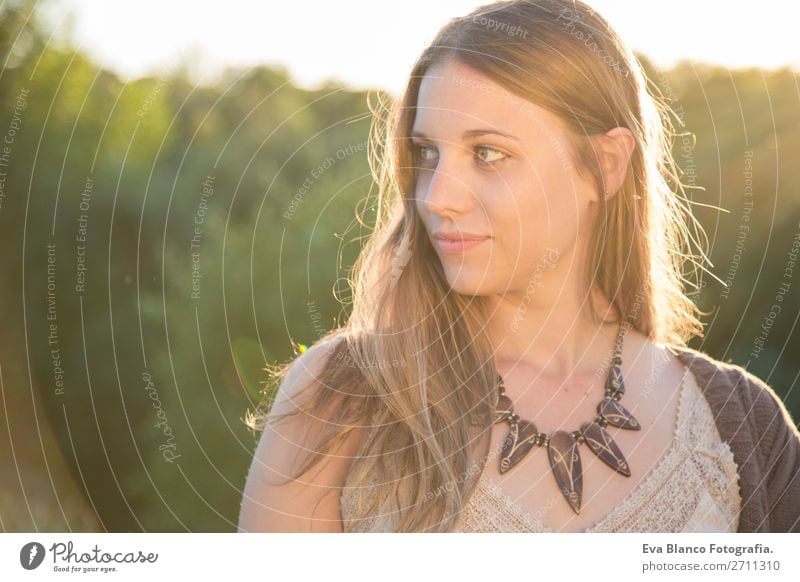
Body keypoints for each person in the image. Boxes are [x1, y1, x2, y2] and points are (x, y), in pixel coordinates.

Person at [237, 0, 800, 533]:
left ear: (604, 166)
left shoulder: (741, 427)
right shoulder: (342, 399)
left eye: (487, 153)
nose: (435, 196)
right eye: (428, 153)